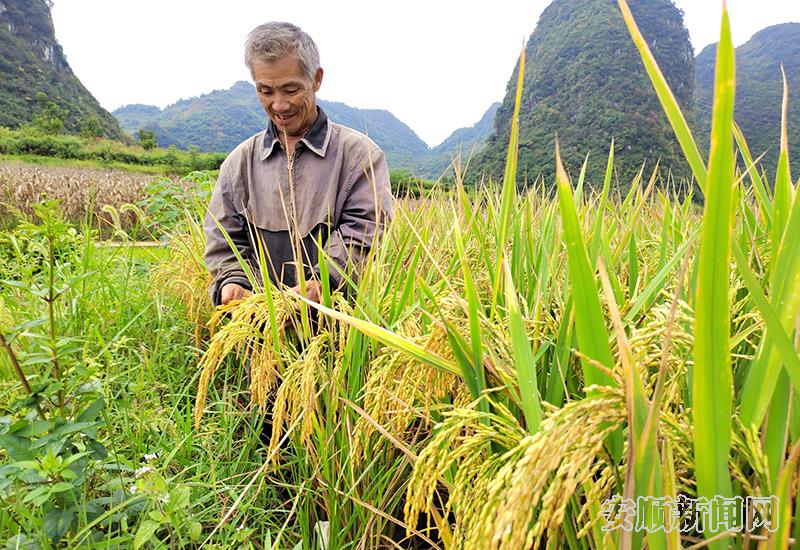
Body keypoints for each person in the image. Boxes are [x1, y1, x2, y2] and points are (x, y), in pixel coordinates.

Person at [204, 22, 393, 307]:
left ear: (316, 79)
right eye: (265, 91)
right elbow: (223, 239)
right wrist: (233, 281)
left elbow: (365, 230)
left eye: (290, 90)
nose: (279, 105)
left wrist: (325, 281)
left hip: (337, 329)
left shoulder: (358, 156)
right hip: (262, 333)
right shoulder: (238, 165)